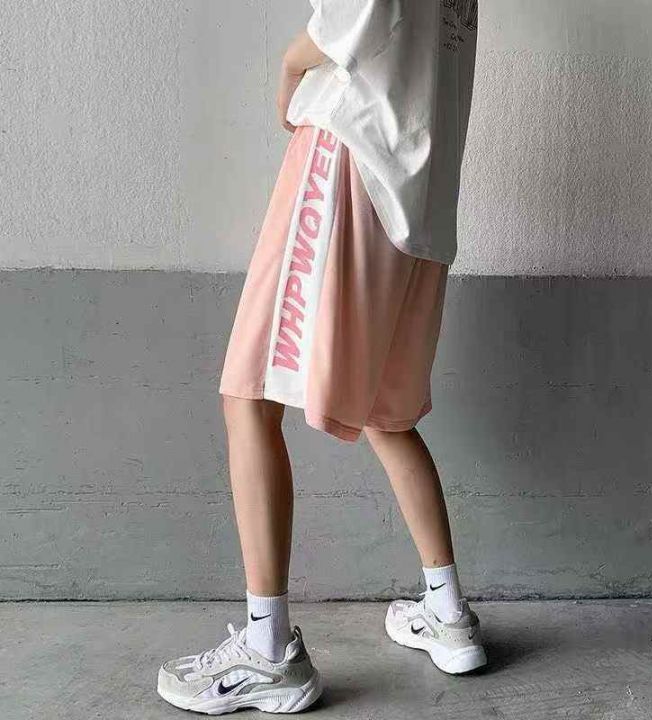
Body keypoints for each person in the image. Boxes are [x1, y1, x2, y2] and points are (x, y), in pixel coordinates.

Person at [157, 1, 483, 714]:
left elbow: (357, 14)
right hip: (421, 196)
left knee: (249, 394)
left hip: (348, 159)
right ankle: (447, 612)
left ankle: (268, 650)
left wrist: (289, 65)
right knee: (388, 414)